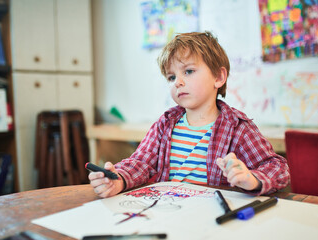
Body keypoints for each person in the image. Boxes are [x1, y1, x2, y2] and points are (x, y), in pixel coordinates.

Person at [89, 31, 290, 198]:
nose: (178, 82)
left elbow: (278, 167)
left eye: (189, 71)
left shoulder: (238, 127)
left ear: (219, 77)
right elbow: (140, 162)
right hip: (168, 212)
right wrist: (118, 179)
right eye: (171, 76)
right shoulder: (166, 124)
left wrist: (251, 179)